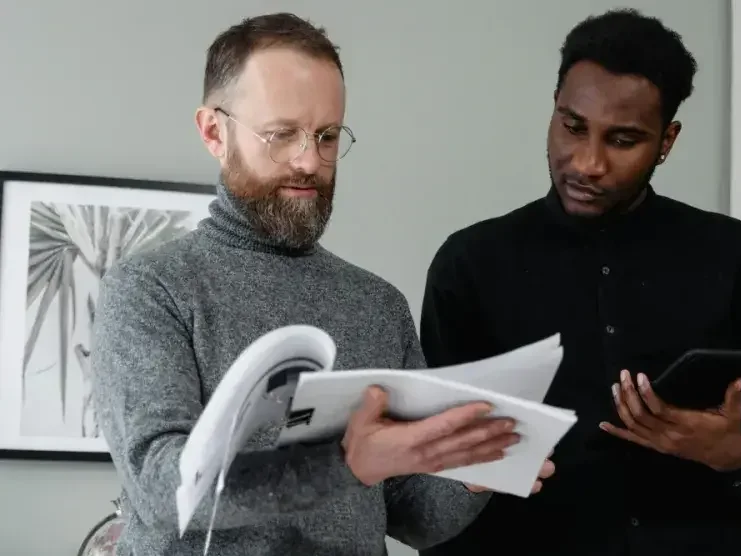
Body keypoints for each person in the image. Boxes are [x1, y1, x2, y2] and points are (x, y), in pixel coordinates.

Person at [91, 12, 552, 556]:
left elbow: (413, 516)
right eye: (282, 134)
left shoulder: (377, 305)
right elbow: (164, 490)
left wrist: (476, 475)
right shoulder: (150, 289)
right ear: (214, 132)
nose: (309, 160)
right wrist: (342, 466)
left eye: (327, 135)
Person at [418, 8, 741, 556]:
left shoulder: (732, 254)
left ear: (667, 141)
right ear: (554, 110)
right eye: (572, 126)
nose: (587, 162)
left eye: (623, 140)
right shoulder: (470, 264)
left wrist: (730, 452)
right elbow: (434, 478)